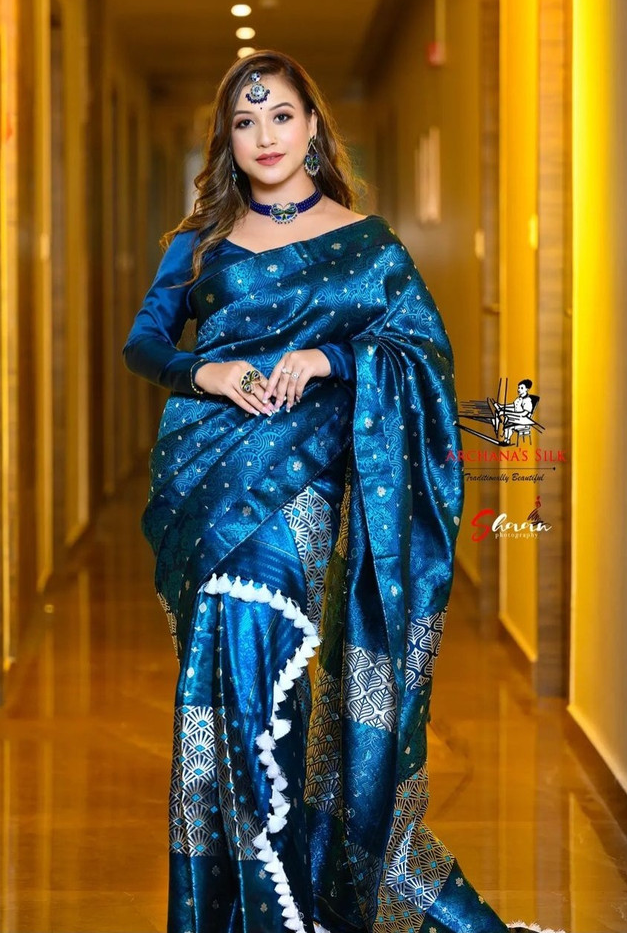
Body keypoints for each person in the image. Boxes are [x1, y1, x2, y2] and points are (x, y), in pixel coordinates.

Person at [123, 51, 555, 933]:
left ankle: (279, 899)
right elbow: (145, 343)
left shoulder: (368, 244)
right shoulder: (199, 240)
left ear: (312, 125)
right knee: (224, 680)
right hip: (206, 478)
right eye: (245, 122)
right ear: (226, 140)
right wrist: (206, 372)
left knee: (261, 662)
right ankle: (261, 901)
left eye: (280, 115)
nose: (265, 136)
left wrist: (329, 357)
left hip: (303, 486)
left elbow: (422, 356)